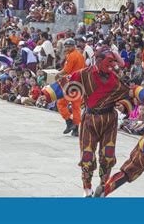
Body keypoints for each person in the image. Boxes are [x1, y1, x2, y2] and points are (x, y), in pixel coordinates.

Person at [41, 46, 132, 197]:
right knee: (87, 156)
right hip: (90, 119)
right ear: (99, 60)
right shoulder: (84, 74)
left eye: (113, 62)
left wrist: (123, 105)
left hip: (110, 119)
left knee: (107, 155)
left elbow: (126, 94)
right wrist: (46, 94)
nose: (112, 65)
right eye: (109, 61)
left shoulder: (115, 78)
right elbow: (66, 83)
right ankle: (87, 188)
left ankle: (103, 186)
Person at [54, 38, 86, 136]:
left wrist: (57, 74)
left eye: (69, 46)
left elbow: (66, 71)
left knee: (61, 104)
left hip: (70, 84)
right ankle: (76, 128)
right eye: (66, 46)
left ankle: (69, 122)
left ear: (73, 46)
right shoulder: (80, 55)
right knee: (76, 107)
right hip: (79, 84)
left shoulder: (72, 56)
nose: (67, 48)